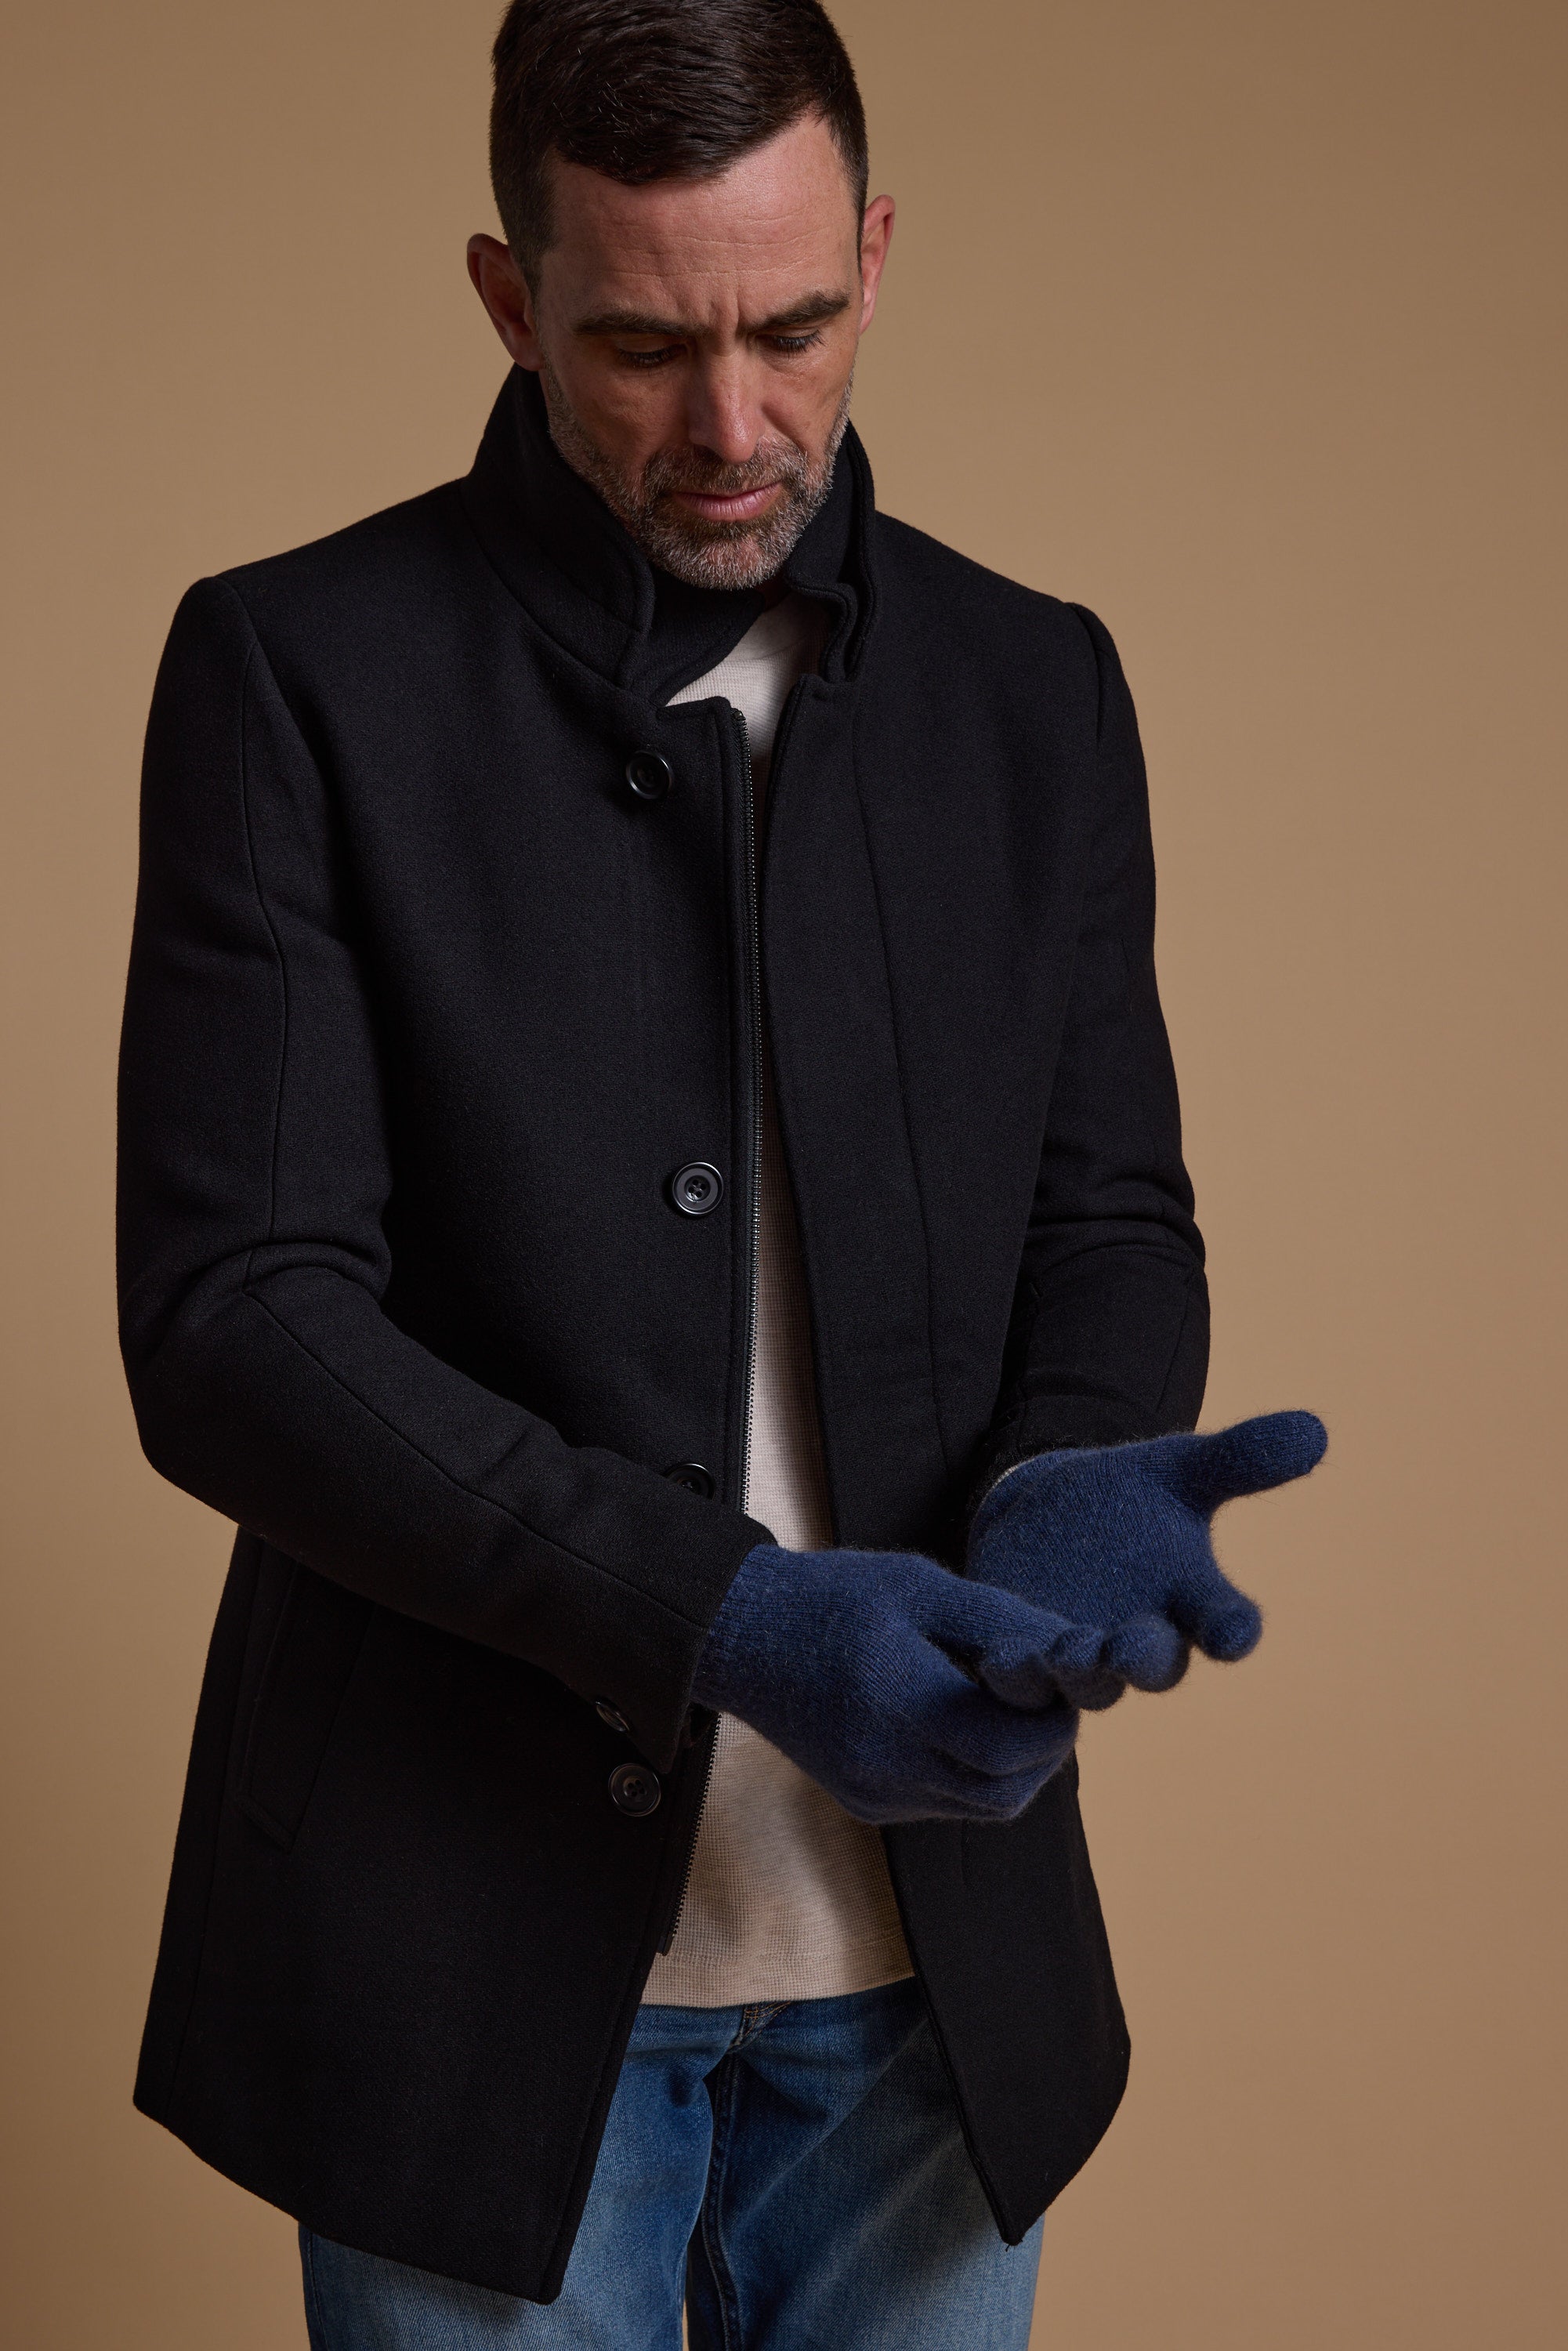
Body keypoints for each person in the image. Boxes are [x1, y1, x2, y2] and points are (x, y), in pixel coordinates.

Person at [118, 4, 1325, 2345]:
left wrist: (1073, 1480)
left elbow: (1105, 1211)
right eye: (642, 344)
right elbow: (239, 1323)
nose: (735, 424)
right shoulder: (297, 671)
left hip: (936, 1975)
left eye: (794, 326)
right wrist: (738, 1618)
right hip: (455, 1963)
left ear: (872, 253)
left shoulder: (1032, 686)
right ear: (506, 296)